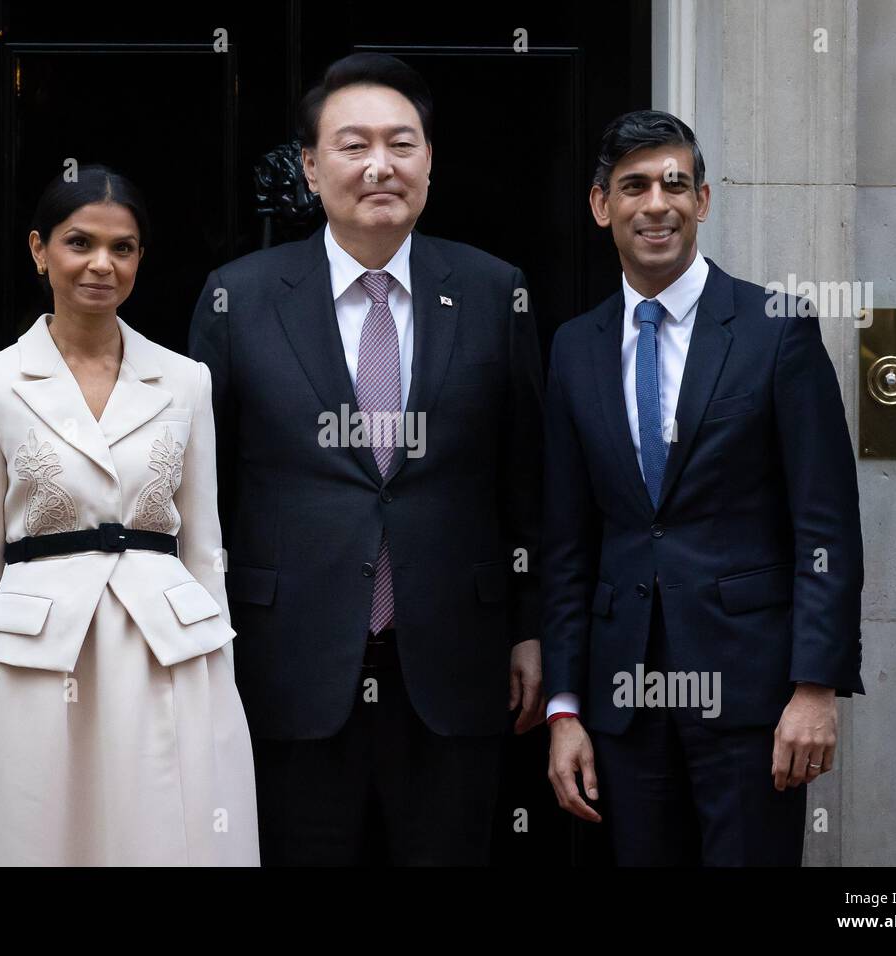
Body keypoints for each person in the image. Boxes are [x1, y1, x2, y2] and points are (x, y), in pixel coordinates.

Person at [189, 53, 545, 865]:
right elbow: (200, 491)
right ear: (312, 167)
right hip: (287, 667)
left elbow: (526, 479)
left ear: (429, 162)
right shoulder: (237, 298)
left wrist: (530, 633)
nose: (380, 165)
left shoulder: (496, 292)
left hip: (457, 663)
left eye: (402, 143)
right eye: (354, 145)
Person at [541, 111, 865, 866]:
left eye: (674, 184)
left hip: (751, 695)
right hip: (622, 700)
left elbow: (826, 524)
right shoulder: (573, 348)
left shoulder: (774, 327)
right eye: (634, 187)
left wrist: (815, 687)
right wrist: (564, 708)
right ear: (601, 206)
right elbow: (564, 541)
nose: (657, 203)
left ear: (704, 201)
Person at [0, 165, 258, 865]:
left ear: (141, 259)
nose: (101, 265)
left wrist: (219, 666)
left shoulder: (185, 379)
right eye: (80, 243)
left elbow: (203, 545)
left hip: (164, 649)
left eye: (124, 248)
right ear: (38, 250)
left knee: (164, 833)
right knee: (38, 835)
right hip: (35, 655)